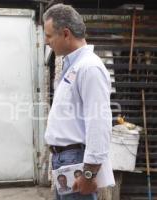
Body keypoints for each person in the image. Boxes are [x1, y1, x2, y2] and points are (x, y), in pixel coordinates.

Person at [43, 3, 114, 200]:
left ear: (66, 34)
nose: (46, 42)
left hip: (76, 162)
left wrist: (89, 173)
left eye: (49, 36)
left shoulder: (89, 68)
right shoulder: (73, 65)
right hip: (65, 161)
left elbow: (99, 123)